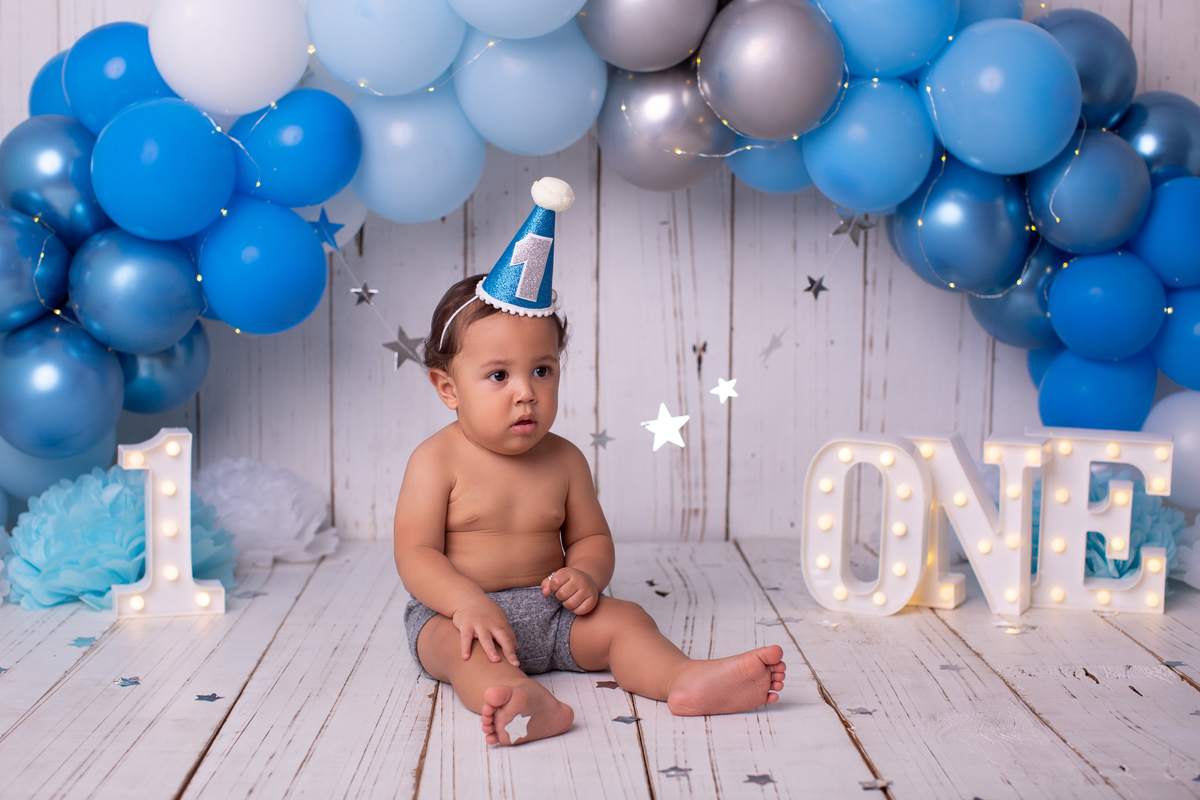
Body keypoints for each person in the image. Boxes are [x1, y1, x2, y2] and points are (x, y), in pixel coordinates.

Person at [393, 178, 786, 746]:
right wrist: (466, 602)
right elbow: (416, 553)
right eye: (499, 375)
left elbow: (591, 538)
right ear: (447, 388)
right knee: (463, 656)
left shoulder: (565, 459)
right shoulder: (436, 461)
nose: (525, 393)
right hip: (458, 615)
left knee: (627, 621)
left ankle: (683, 679)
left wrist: (586, 575)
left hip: (554, 613)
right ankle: (522, 701)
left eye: (542, 370)